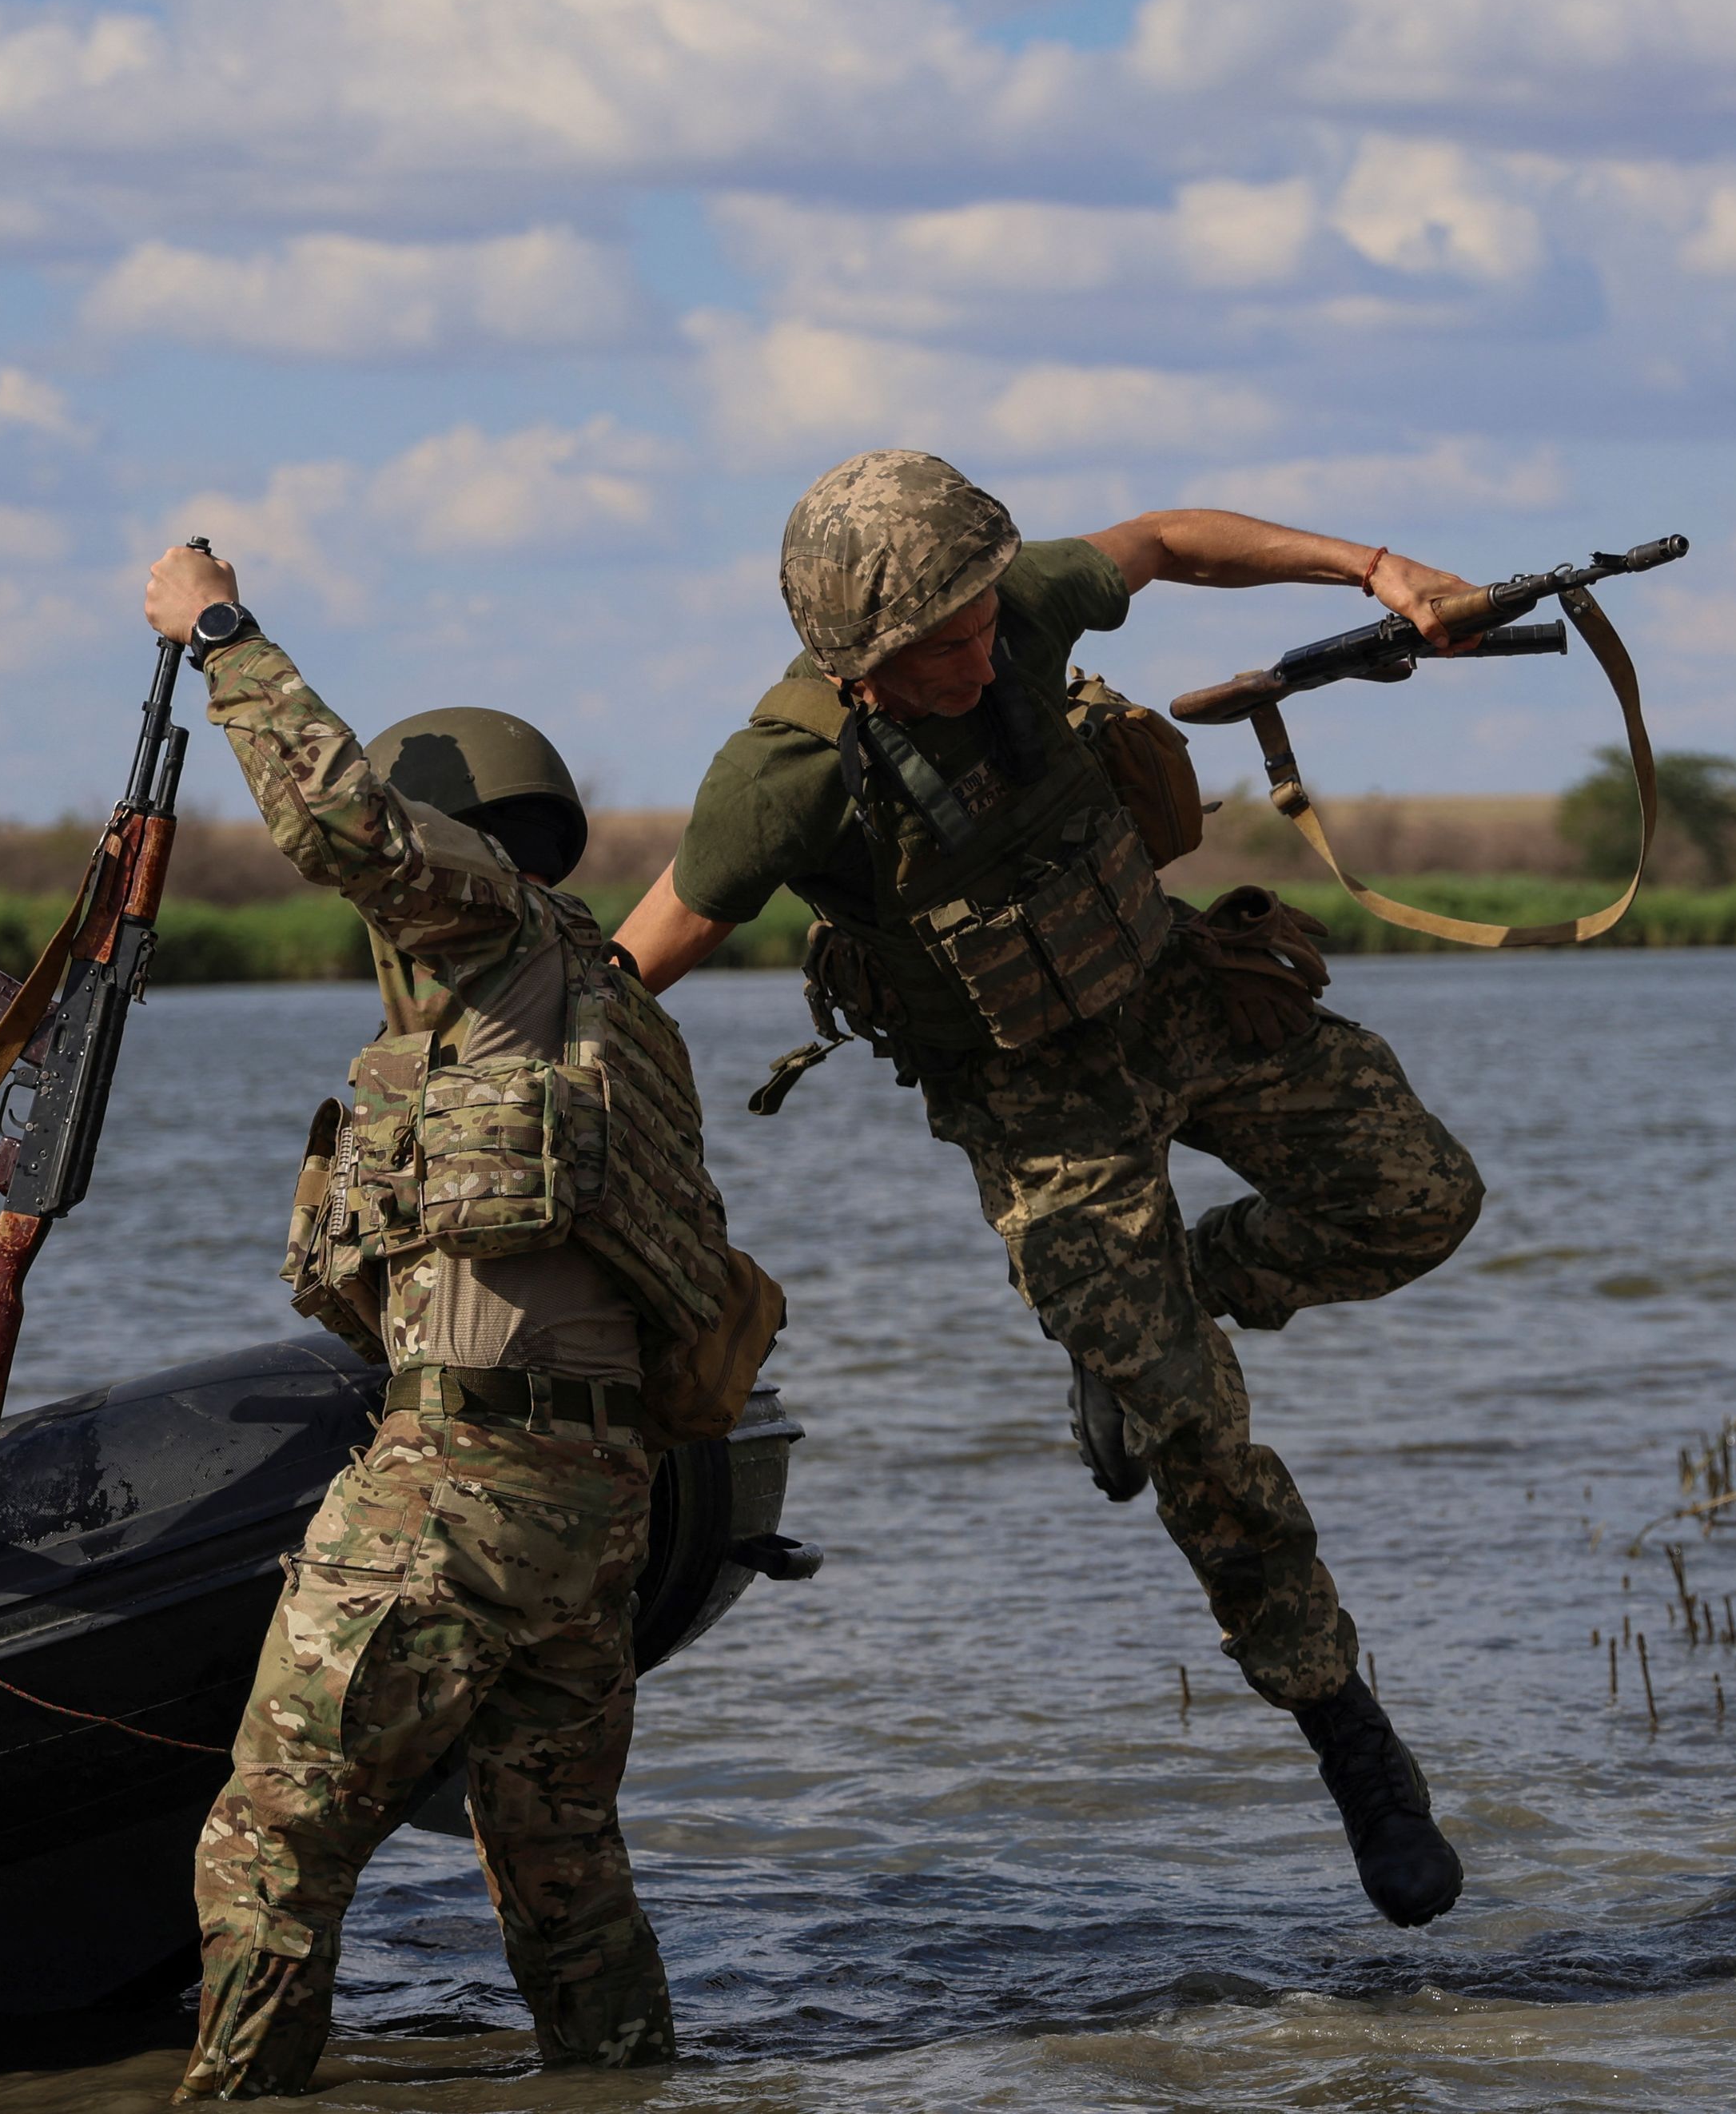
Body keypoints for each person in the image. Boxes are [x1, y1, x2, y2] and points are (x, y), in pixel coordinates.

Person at [613, 450, 1487, 1929]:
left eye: (980, 629)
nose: (977, 658)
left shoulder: (1006, 605)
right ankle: (1351, 1739)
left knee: (1422, 1199)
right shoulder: (780, 781)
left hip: (1182, 996)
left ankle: (1163, 1304)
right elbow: (631, 966)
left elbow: (1163, 537)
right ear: (851, 657)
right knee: (1197, 1432)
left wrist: (1377, 570)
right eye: (935, 651)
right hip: (1035, 1103)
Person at [143, 544, 778, 2098]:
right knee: (563, 1880)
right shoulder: (611, 1005)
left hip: (465, 1477)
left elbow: (335, 812)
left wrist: (217, 631)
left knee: (266, 1841)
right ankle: (622, 2083)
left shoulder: (482, 923)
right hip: (595, 1506)